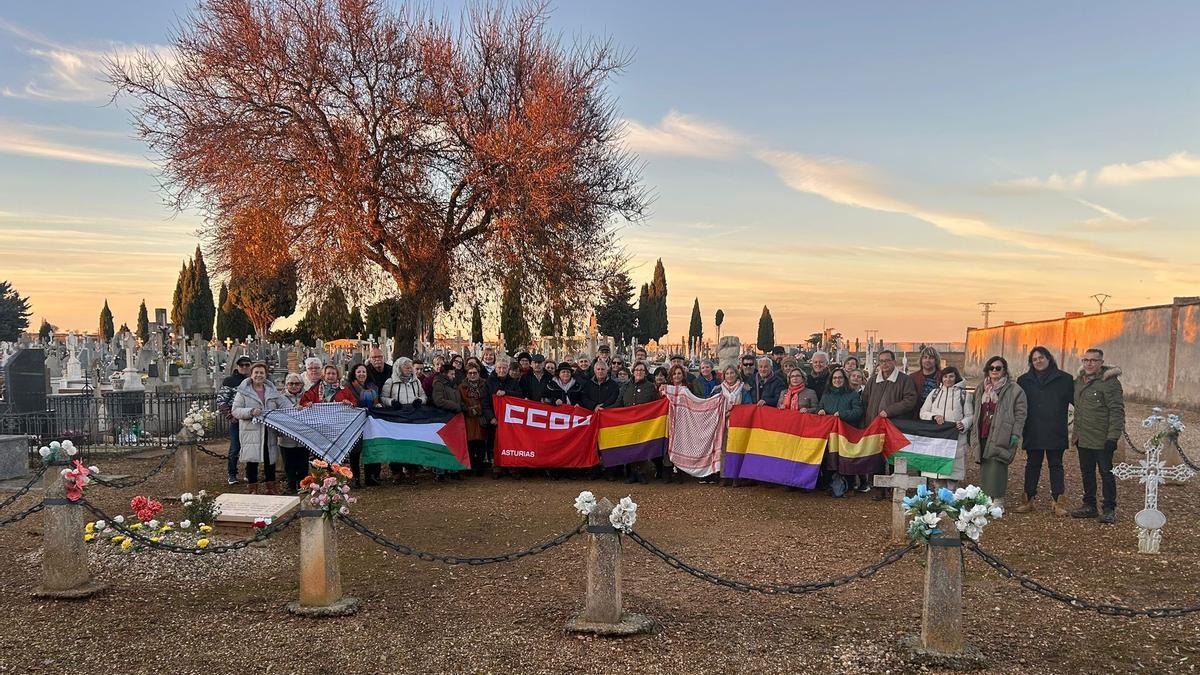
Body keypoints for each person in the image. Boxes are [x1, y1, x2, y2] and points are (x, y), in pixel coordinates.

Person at [1015, 347, 1074, 516]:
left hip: (1055, 429)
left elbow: (1079, 403)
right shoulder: (1024, 381)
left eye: (1041, 358)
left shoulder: (1065, 379)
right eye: (1034, 359)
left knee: (1056, 465)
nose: (1038, 361)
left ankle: (1058, 501)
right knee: (1032, 465)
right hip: (1033, 429)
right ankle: (1028, 500)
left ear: (1049, 358)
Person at [1070, 348, 1124, 524]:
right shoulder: (1079, 381)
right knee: (1087, 472)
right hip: (1083, 437)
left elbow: (1117, 411)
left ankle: (1109, 508)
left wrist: (1113, 437)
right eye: (1086, 360)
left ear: (1101, 362)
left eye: (1093, 360)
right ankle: (1089, 505)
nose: (1089, 363)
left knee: (1106, 473)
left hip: (1102, 439)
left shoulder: (1109, 383)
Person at [966, 356, 1027, 509]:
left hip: (1002, 431)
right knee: (985, 463)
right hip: (984, 429)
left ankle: (998, 499)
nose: (994, 371)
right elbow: (975, 408)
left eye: (998, 368)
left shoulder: (1014, 389)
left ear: (1004, 370)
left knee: (998, 464)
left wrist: (1016, 433)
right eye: (991, 368)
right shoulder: (982, 387)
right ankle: (986, 497)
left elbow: (1021, 414)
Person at [862, 350, 918, 497]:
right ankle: (879, 488)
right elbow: (865, 399)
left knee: (895, 457)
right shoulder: (873, 380)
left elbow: (910, 400)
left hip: (895, 425)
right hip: (875, 425)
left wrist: (890, 411)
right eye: (881, 361)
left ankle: (895, 488)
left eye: (887, 360)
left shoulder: (904, 380)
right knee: (876, 456)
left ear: (894, 361)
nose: (884, 364)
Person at [231, 362, 287, 494]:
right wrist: (250, 412)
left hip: (269, 430)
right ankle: (253, 488)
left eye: (262, 372)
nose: (259, 375)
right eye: (256, 372)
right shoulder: (243, 391)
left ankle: (271, 487)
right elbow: (235, 411)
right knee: (252, 460)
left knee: (270, 459)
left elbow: (284, 407)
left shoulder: (272, 392)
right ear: (251, 374)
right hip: (252, 431)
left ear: (266, 375)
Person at [918, 366, 973, 488]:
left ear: (956, 377)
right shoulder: (934, 394)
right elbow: (923, 412)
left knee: (952, 478)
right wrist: (934, 416)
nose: (948, 379)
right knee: (937, 479)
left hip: (956, 441)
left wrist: (963, 423)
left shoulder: (964, 395)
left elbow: (970, 416)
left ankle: (951, 503)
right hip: (937, 441)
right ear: (941, 378)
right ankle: (939, 502)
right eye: (945, 376)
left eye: (951, 376)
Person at [380, 356, 427, 483]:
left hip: (412, 416)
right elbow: (383, 397)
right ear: (399, 368)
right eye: (405, 367)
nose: (408, 369)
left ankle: (412, 471)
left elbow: (423, 395)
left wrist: (420, 401)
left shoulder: (416, 382)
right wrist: (391, 402)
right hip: (397, 417)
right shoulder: (391, 382)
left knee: (412, 444)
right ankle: (397, 471)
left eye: (410, 367)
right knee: (397, 445)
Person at [338, 363, 380, 486]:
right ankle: (355, 477)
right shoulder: (348, 387)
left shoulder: (372, 387)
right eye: (359, 372)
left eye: (364, 372)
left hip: (370, 422)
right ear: (354, 373)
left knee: (370, 448)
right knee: (355, 451)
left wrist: (377, 405)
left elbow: (376, 401)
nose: (362, 374)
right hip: (355, 422)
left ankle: (370, 476)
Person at [620, 362, 660, 483]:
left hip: (644, 422)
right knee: (630, 447)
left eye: (642, 370)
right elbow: (619, 403)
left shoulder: (650, 387)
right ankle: (632, 473)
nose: (639, 372)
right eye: (637, 370)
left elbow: (656, 404)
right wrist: (604, 409)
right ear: (633, 371)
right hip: (629, 422)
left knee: (642, 448)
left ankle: (642, 473)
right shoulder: (626, 386)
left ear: (645, 372)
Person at [218, 355, 252, 485]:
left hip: (250, 419)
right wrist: (230, 416)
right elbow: (221, 400)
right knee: (235, 448)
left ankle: (250, 473)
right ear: (237, 367)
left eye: (247, 365)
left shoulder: (253, 381)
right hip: (236, 420)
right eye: (241, 365)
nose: (244, 367)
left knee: (250, 447)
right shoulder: (230, 381)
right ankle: (232, 474)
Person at [431, 362, 463, 481]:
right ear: (445, 374)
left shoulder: (452, 384)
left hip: (453, 417)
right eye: (452, 374)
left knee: (453, 445)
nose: (453, 376)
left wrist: (461, 406)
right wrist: (455, 406)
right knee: (442, 445)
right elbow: (438, 400)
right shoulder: (439, 384)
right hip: (443, 417)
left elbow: (457, 397)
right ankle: (440, 472)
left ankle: (454, 469)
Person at [278, 373, 309, 493]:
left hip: (303, 437)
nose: (294, 386)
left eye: (297, 383)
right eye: (291, 383)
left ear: (301, 384)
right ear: (286, 385)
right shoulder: (280, 397)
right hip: (286, 437)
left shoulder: (307, 396)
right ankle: (291, 485)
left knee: (303, 463)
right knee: (289, 463)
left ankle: (303, 485)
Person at [458, 364, 489, 475]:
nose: (472, 375)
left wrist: (479, 409)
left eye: (474, 373)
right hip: (468, 419)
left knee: (481, 443)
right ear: (466, 374)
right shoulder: (461, 387)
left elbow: (487, 399)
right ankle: (469, 467)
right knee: (470, 444)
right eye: (470, 373)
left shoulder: (485, 384)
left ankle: (480, 467)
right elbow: (460, 401)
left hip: (482, 418)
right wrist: (468, 410)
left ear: (478, 373)